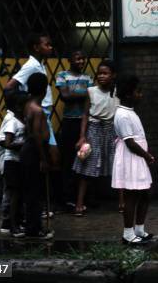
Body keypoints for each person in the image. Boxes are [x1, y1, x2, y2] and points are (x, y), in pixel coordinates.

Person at [4, 32, 59, 218]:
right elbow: (9, 86)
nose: (50, 48)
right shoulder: (30, 66)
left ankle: (41, 205)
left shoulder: (40, 65)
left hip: (45, 114)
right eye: (47, 44)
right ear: (36, 47)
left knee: (51, 159)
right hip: (40, 114)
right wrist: (27, 104)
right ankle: (37, 209)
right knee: (46, 157)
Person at [72, 60, 118, 216]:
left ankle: (123, 202)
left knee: (117, 166)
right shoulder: (91, 91)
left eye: (105, 73)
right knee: (87, 167)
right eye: (99, 73)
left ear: (113, 76)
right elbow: (85, 114)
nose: (102, 76)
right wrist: (82, 136)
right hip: (94, 130)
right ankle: (79, 204)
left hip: (111, 131)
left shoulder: (118, 92)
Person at [112, 74, 154, 245]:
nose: (141, 95)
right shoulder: (122, 114)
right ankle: (128, 234)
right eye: (138, 92)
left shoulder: (130, 112)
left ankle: (139, 229)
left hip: (137, 158)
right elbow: (130, 143)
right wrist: (147, 155)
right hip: (132, 158)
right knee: (132, 196)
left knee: (144, 194)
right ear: (128, 94)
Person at [55, 50, 92, 210]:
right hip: (70, 122)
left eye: (83, 58)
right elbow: (64, 96)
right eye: (77, 58)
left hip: (84, 122)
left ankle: (82, 198)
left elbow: (75, 95)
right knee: (68, 160)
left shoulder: (88, 77)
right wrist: (85, 94)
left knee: (85, 158)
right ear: (70, 60)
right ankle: (67, 198)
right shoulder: (62, 75)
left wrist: (74, 93)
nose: (81, 61)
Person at [21, 72, 54, 239]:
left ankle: (31, 227)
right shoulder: (38, 110)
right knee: (36, 192)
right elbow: (37, 136)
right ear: (44, 90)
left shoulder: (27, 105)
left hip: (28, 150)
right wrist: (43, 159)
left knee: (30, 191)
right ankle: (35, 229)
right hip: (35, 151)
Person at [0, 91, 28, 237]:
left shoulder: (24, 120)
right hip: (12, 161)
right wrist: (23, 145)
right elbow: (7, 142)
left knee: (19, 193)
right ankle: (11, 225)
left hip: (19, 161)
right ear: (20, 107)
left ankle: (17, 222)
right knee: (13, 194)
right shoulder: (12, 121)